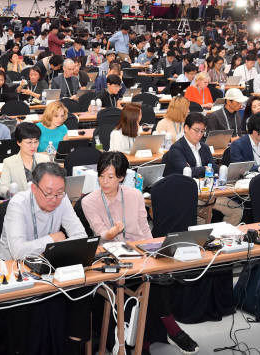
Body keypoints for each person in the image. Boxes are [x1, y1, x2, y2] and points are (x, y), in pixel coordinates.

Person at [81, 151, 200, 354]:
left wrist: (152, 251)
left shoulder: (135, 196)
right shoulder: (90, 201)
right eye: (101, 176)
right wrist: (111, 233)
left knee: (154, 278)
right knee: (147, 282)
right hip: (111, 258)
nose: (104, 181)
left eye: (110, 177)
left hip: (139, 253)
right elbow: (100, 234)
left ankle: (149, 338)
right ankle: (166, 331)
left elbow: (145, 231)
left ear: (121, 177)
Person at [0, 162, 89, 353]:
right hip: (16, 274)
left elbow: (81, 236)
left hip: (49, 268)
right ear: (33, 188)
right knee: (44, 305)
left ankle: (71, 348)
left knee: (83, 291)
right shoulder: (18, 204)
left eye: (59, 193)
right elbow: (19, 252)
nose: (54, 199)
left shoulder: (62, 200)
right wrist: (52, 240)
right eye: (48, 193)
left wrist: (55, 248)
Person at [163, 113, 241, 225]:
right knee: (202, 218)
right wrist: (205, 169)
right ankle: (206, 240)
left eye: (203, 131)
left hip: (207, 193)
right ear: (186, 128)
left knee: (236, 210)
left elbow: (214, 168)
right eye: (196, 130)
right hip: (187, 195)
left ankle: (221, 238)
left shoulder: (204, 147)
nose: (200, 134)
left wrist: (202, 169)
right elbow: (188, 172)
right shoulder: (176, 149)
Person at [0, 122, 50, 198]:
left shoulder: (44, 159)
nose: (33, 146)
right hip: (21, 203)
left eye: (36, 142)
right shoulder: (9, 162)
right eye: (29, 142)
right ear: (19, 143)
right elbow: (2, 188)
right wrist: (11, 193)